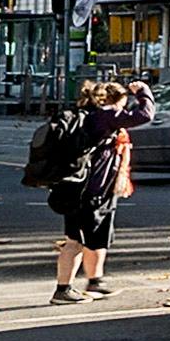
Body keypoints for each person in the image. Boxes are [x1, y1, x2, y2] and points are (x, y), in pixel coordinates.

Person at [41, 74, 139, 302]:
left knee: (96, 240)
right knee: (75, 241)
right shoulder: (104, 116)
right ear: (112, 101)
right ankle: (63, 289)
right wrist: (143, 91)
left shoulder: (95, 117)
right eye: (123, 102)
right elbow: (143, 115)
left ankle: (95, 282)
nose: (124, 108)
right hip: (87, 192)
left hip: (96, 191)